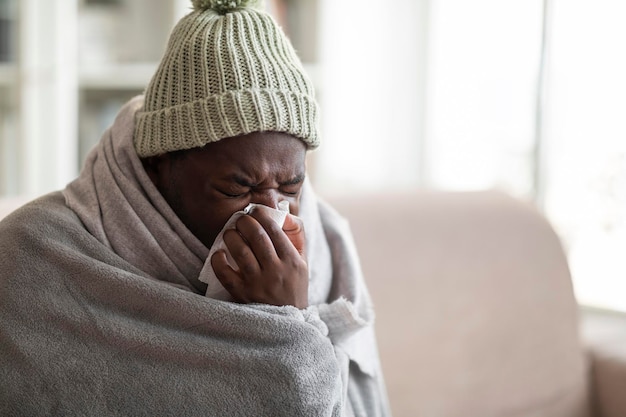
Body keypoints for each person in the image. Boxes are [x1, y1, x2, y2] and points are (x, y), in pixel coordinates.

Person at [0, 0, 390, 415]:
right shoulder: (35, 257)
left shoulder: (329, 241)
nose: (273, 217)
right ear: (159, 163)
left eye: (291, 186)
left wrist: (287, 321)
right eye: (239, 189)